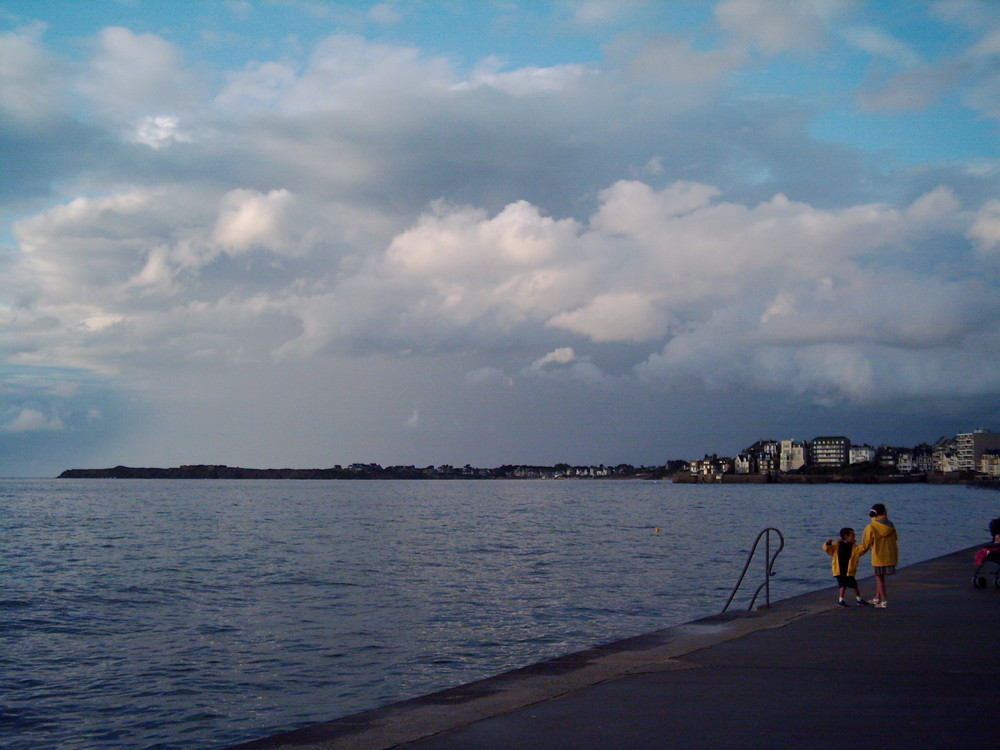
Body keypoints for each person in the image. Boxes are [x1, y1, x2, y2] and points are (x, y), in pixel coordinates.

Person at [860, 503, 898, 608]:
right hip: (890, 555)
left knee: (879, 579)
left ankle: (884, 601)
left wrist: (856, 553)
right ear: (884, 512)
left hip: (878, 557)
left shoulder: (871, 527)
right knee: (881, 578)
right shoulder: (890, 525)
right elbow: (895, 538)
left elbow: (865, 545)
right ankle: (877, 598)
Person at [823, 527, 870, 606]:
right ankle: (841, 600)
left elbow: (861, 550)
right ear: (846, 536)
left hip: (849, 569)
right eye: (852, 535)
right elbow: (827, 549)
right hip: (839, 569)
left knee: (854, 584)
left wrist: (867, 545)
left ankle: (859, 599)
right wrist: (828, 544)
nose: (854, 536)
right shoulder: (837, 546)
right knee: (842, 585)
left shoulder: (854, 547)